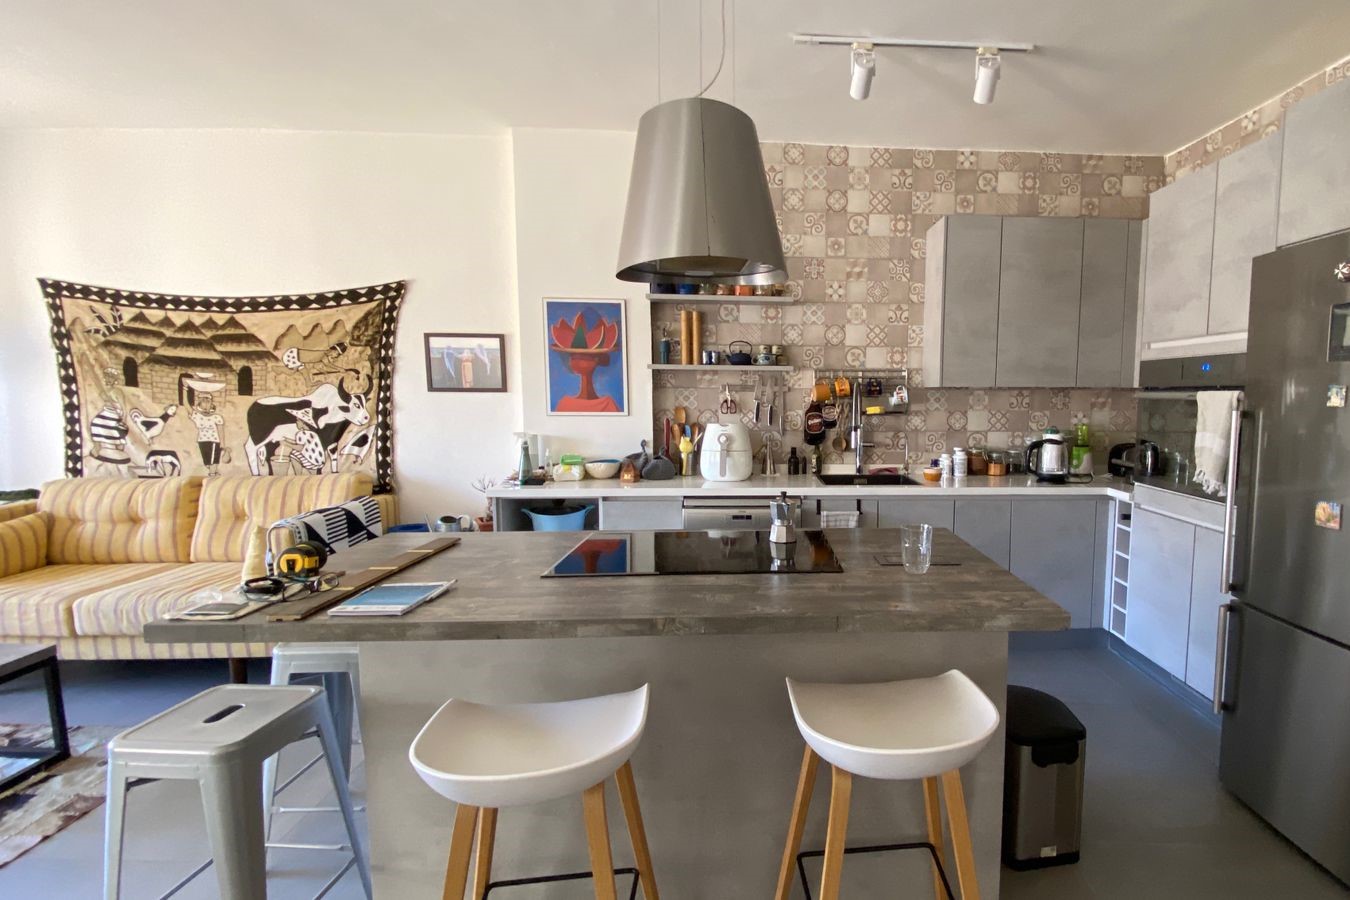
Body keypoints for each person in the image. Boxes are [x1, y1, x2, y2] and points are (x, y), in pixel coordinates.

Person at [189, 392, 225, 476]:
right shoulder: (197, 416)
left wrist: (222, 444)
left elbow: (220, 430)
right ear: (200, 404)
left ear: (211, 404)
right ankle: (215, 473)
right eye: (203, 402)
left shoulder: (216, 417)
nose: (206, 404)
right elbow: (186, 405)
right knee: (207, 463)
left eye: (208, 402)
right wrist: (185, 388)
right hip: (202, 441)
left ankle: (212, 476)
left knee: (213, 462)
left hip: (214, 441)